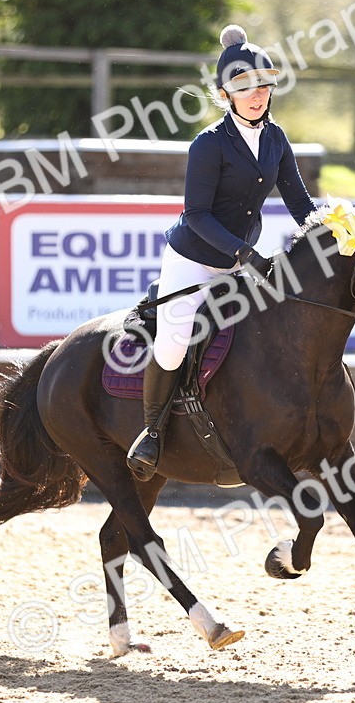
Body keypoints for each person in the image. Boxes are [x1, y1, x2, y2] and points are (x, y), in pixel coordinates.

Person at [127, 24, 318, 480]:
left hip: (237, 261)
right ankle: (151, 432)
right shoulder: (209, 143)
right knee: (174, 340)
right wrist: (244, 254)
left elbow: (300, 203)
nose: (257, 95)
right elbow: (196, 215)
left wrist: (335, 229)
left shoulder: (275, 139)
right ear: (225, 94)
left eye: (263, 85)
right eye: (244, 87)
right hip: (193, 260)